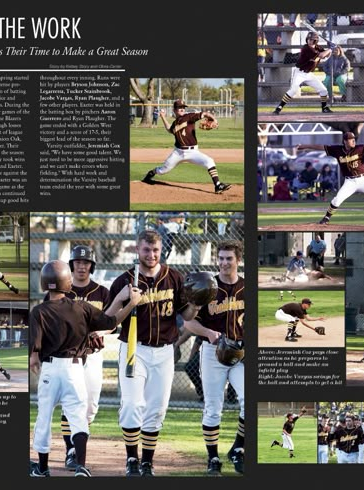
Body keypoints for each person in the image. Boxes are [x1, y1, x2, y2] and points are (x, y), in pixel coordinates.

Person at [30, 260, 138, 478]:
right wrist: (131, 303)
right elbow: (111, 322)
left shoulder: (38, 311)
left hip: (50, 369)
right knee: (78, 417)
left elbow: (34, 353)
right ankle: (81, 466)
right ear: (68, 283)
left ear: (44, 283)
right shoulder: (81, 308)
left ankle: (42, 468)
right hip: (75, 369)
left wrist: (35, 359)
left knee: (44, 417)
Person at [107, 229, 194, 477]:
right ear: (137, 250)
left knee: (156, 408)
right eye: (146, 249)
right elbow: (109, 320)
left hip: (165, 351)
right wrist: (125, 299)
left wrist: (198, 302)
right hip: (135, 348)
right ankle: (131, 459)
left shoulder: (174, 277)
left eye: (155, 250)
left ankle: (147, 462)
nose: (152, 255)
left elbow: (187, 316)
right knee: (133, 404)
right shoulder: (125, 280)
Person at [182, 240, 246, 475]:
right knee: (213, 407)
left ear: (238, 259)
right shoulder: (208, 286)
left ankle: (238, 449)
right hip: (213, 351)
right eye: (220, 258)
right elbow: (189, 321)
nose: (224, 262)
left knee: (249, 401)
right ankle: (213, 458)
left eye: (229, 258)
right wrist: (208, 333)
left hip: (241, 350)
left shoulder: (247, 286)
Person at [52, 245, 112, 470]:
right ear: (71, 266)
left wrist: (102, 332)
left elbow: (112, 323)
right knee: (71, 403)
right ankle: (71, 451)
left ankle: (78, 445)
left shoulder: (102, 292)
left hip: (94, 354)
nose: (81, 266)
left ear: (92, 266)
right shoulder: (62, 292)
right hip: (69, 355)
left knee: (90, 406)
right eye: (77, 262)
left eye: (86, 263)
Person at [141, 99, 232, 194]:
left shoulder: (189, 117)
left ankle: (217, 185)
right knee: (163, 170)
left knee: (209, 161)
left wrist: (214, 119)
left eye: (183, 107)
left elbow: (204, 114)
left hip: (193, 152)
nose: (182, 109)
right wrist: (163, 117)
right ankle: (151, 173)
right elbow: (169, 130)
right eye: (179, 107)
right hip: (178, 153)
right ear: (174, 110)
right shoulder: (175, 123)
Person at [272, 32, 333, 114]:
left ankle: (324, 108)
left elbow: (325, 55)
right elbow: (322, 56)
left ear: (316, 41)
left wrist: (330, 48)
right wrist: (330, 49)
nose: (310, 41)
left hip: (309, 74)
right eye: (309, 39)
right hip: (299, 73)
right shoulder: (306, 48)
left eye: (312, 40)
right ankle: (279, 108)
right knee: (293, 90)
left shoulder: (318, 48)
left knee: (323, 90)